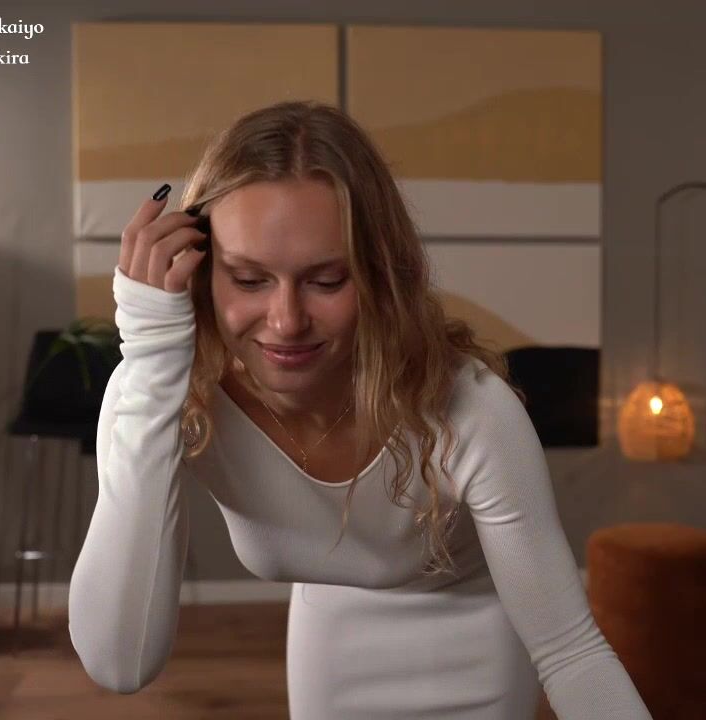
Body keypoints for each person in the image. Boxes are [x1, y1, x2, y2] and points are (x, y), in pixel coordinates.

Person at [67, 100, 652, 720]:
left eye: (327, 280)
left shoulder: (471, 410)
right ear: (204, 271)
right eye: (249, 279)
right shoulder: (164, 389)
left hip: (474, 631)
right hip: (331, 640)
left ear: (381, 275)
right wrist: (152, 363)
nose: (287, 322)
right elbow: (120, 662)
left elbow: (571, 652)